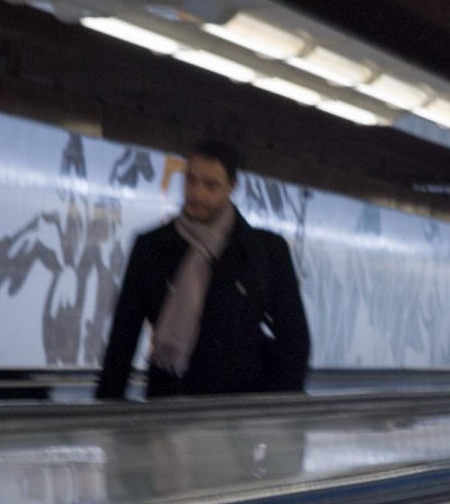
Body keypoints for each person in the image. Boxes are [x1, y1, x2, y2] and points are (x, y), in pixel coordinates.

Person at [97, 140, 311, 400]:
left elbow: (294, 341)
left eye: (210, 185)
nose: (196, 194)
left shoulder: (265, 252)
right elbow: (124, 336)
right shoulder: (153, 247)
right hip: (169, 404)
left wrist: (280, 416)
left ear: (232, 187)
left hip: (237, 412)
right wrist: (106, 411)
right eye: (190, 180)